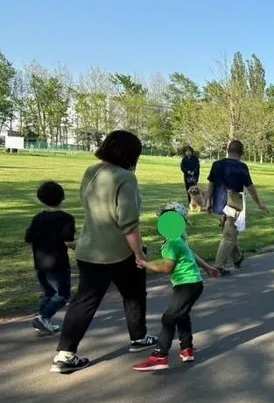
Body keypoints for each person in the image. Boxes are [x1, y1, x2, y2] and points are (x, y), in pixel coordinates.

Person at [51, 130, 157, 374]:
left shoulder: (92, 170)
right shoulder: (126, 178)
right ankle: (138, 337)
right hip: (117, 251)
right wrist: (139, 254)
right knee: (134, 294)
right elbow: (129, 223)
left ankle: (65, 353)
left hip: (89, 247)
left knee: (86, 301)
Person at [133, 203, 220, 371]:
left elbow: (167, 268)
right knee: (182, 315)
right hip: (193, 284)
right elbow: (191, 254)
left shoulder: (172, 243)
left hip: (186, 286)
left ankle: (159, 356)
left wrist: (146, 264)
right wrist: (208, 268)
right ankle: (187, 349)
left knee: (168, 318)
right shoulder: (179, 239)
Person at [207, 140, 269, 276]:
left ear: (228, 150)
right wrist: (260, 204)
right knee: (229, 237)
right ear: (241, 153)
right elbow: (250, 187)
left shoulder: (216, 164)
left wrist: (208, 202)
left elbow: (211, 184)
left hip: (219, 204)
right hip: (233, 205)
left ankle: (237, 257)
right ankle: (218, 266)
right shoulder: (241, 167)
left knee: (228, 232)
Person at [25, 181, 76, 335]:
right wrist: (82, 244)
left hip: (40, 262)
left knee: (48, 293)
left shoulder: (38, 218)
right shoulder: (66, 218)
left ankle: (42, 323)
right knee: (62, 295)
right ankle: (44, 317)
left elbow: (28, 238)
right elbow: (69, 242)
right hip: (58, 263)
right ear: (62, 197)